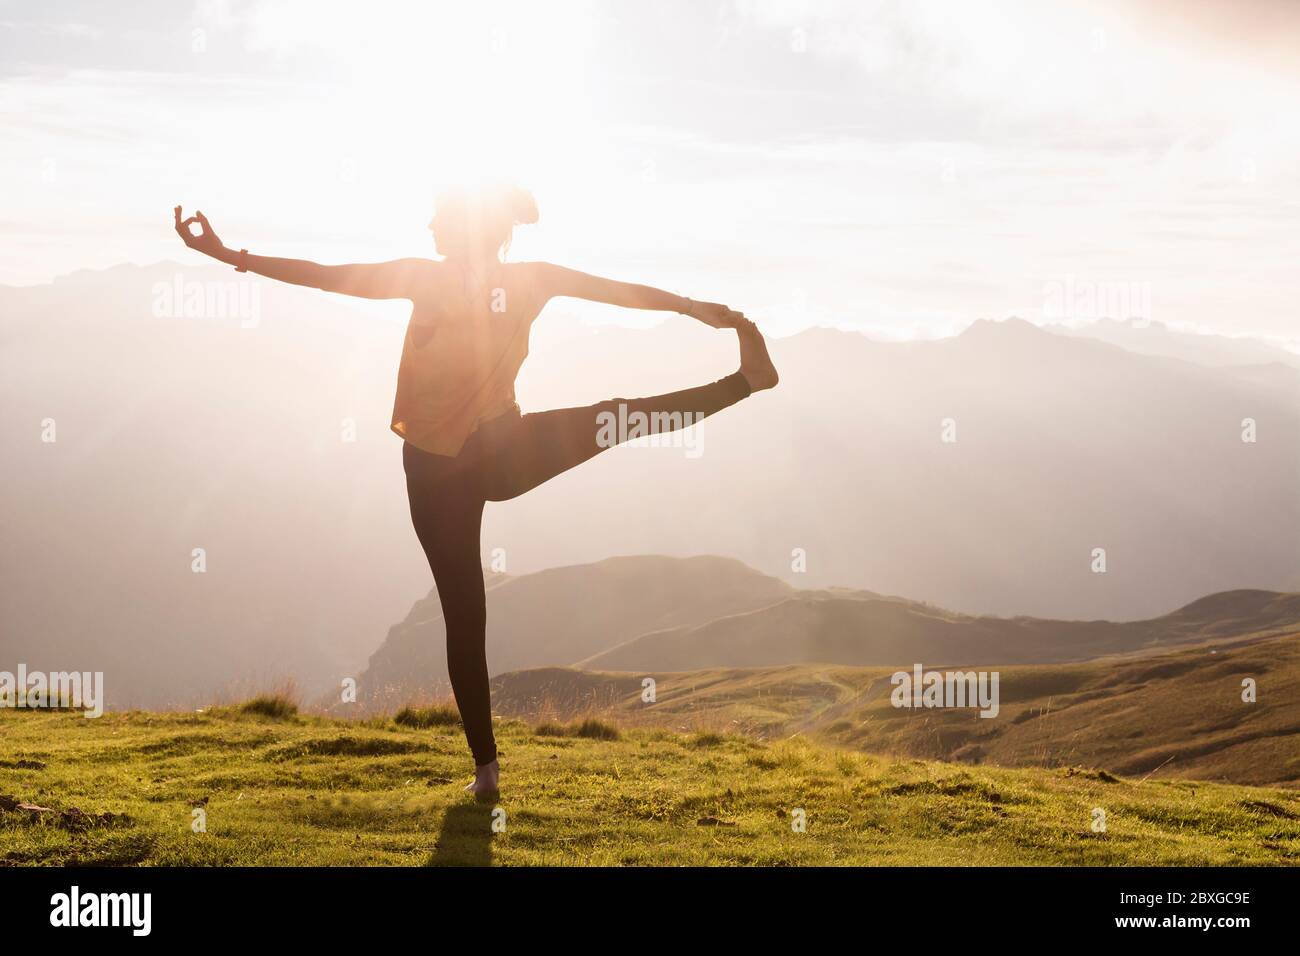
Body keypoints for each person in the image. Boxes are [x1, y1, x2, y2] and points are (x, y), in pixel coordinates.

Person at [173, 183, 778, 796]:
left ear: (462, 230)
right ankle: (746, 382)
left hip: (453, 467)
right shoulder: (516, 279)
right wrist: (690, 306)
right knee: (616, 419)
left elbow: (326, 275)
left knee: (467, 614)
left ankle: (486, 770)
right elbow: (615, 292)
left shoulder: (431, 278)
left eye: (437, 220)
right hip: (495, 456)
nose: (429, 226)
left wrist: (229, 256)